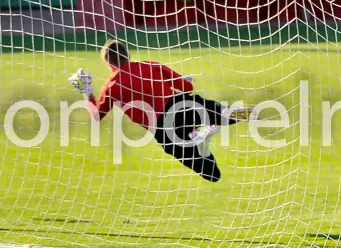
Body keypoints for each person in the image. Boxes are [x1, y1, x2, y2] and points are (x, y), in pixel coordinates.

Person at [67, 39, 254, 182]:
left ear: (109, 64)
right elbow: (187, 88)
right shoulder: (151, 65)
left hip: (164, 129)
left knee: (211, 174)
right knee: (218, 112)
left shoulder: (110, 87)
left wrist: (87, 92)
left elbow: (96, 116)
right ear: (128, 55)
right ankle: (242, 114)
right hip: (181, 105)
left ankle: (201, 139)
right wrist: (182, 80)